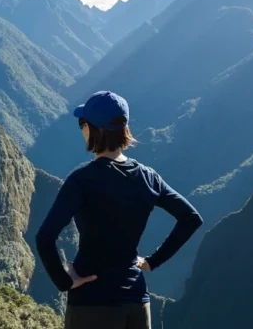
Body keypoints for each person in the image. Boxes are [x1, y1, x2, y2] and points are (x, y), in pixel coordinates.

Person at [36, 91, 203, 329]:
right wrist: (153, 261)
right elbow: (190, 218)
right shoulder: (148, 177)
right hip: (137, 302)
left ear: (93, 130)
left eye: (82, 123)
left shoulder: (82, 180)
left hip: (92, 303)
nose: (81, 129)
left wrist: (65, 281)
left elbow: (45, 237)